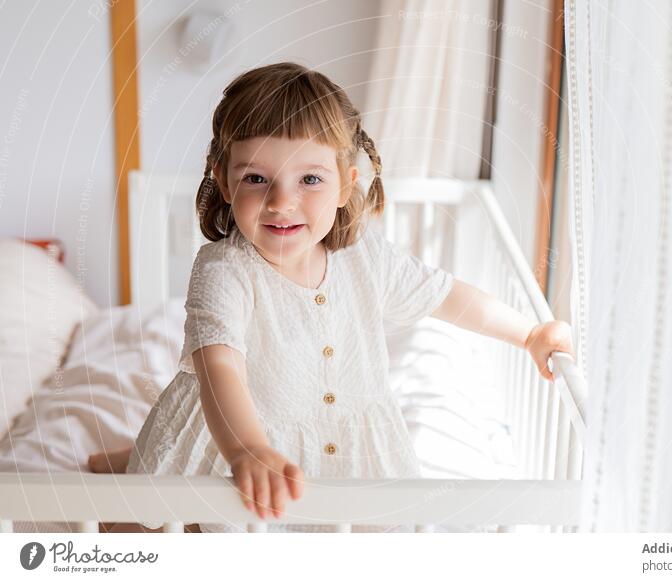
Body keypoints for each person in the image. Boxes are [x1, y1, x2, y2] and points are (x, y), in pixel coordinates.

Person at [89, 62, 574, 533]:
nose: (282, 201)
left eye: (310, 179)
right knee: (144, 526)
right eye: (256, 179)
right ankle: (126, 463)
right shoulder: (224, 270)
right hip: (234, 431)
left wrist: (528, 333)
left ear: (346, 184)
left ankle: (126, 456)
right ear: (222, 178)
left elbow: (446, 295)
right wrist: (247, 449)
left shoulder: (365, 257)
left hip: (345, 440)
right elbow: (220, 369)